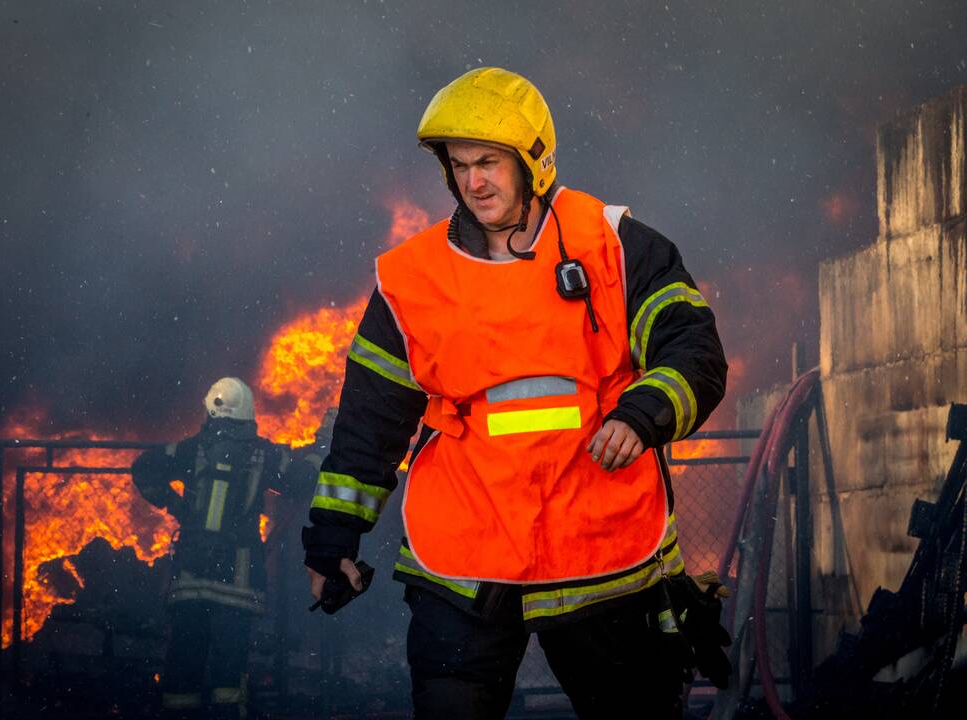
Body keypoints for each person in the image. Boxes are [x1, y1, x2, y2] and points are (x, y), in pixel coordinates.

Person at [302, 67, 729, 719]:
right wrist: (333, 539)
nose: (473, 181)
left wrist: (643, 415)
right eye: (460, 164)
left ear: (533, 159)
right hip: (463, 563)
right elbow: (370, 423)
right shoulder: (411, 280)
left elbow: (693, 348)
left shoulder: (612, 246)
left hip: (602, 554)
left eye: (489, 162)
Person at [133, 377, 288, 720]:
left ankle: (179, 712)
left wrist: (175, 506)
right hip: (239, 582)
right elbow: (299, 480)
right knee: (228, 666)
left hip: (192, 577)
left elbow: (143, 468)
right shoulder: (264, 454)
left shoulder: (191, 449)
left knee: (184, 660)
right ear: (248, 412)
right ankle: (226, 713)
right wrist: (322, 447)